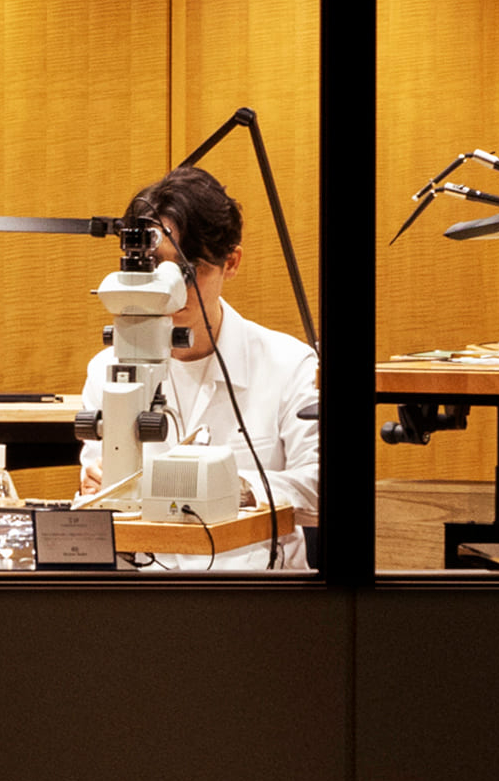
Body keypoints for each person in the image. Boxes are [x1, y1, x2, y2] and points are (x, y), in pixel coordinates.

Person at [74, 166, 319, 571]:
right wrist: (98, 485)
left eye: (188, 270)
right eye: (155, 267)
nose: (171, 290)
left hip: (256, 595)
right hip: (145, 590)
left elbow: (320, 487)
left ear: (231, 262)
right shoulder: (108, 368)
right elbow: (97, 485)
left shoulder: (289, 364)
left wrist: (236, 488)